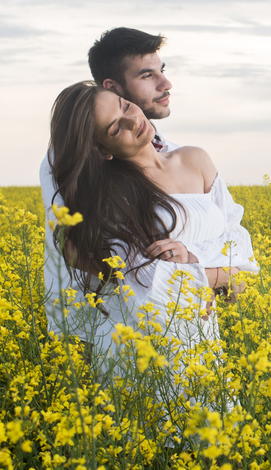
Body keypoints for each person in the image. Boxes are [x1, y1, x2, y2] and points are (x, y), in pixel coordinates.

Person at [40, 28, 180, 345]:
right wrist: (200, 277)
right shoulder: (71, 161)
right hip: (96, 334)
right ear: (112, 87)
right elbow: (84, 251)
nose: (165, 84)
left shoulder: (170, 151)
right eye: (147, 76)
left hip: (164, 325)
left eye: (163, 71)